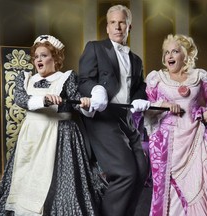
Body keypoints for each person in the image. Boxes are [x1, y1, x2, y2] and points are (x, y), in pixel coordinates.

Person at [0, 35, 105, 216]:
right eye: (36, 56)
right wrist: (44, 99)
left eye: (44, 55)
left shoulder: (67, 78)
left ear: (55, 58)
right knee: (26, 181)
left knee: (60, 185)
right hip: (32, 137)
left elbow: (76, 102)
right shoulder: (24, 79)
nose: (38, 59)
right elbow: (21, 99)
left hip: (61, 136)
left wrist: (86, 104)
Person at [144, 34, 207, 216]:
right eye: (166, 52)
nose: (170, 55)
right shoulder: (157, 80)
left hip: (198, 135)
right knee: (177, 190)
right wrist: (165, 105)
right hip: (171, 143)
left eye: (175, 51)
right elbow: (146, 106)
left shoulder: (199, 76)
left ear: (186, 55)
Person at [78, 4, 150, 216]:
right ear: (107, 27)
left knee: (141, 171)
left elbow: (139, 87)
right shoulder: (95, 47)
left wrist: (139, 99)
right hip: (102, 118)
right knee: (125, 173)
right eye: (113, 23)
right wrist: (96, 90)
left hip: (126, 118)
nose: (117, 27)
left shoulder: (136, 60)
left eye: (122, 22)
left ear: (129, 26)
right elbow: (84, 80)